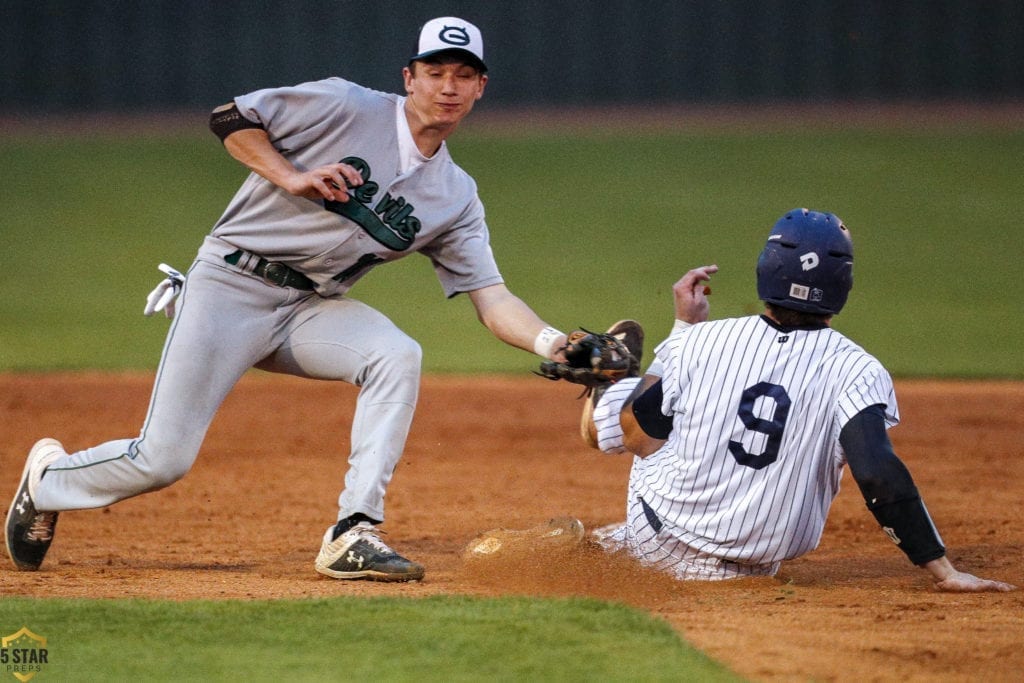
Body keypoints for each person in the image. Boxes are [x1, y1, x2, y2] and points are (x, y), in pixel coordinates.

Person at [5, 16, 571, 582]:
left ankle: (353, 531)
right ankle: (48, 482)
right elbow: (230, 117)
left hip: (307, 309)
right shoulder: (344, 104)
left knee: (396, 354)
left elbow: (492, 299)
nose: (448, 86)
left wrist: (557, 343)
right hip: (230, 286)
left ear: (480, 88)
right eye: (435, 71)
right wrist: (289, 175)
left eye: (464, 75)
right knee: (162, 460)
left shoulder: (455, 196)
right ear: (409, 77)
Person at [581, 208, 1014, 591]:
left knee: (635, 422)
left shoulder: (704, 340)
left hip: (659, 539)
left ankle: (612, 383)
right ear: (842, 285)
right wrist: (944, 570)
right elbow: (879, 473)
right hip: (754, 566)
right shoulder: (858, 369)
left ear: (767, 270)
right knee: (683, 406)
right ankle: (616, 524)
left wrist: (682, 333)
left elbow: (637, 437)